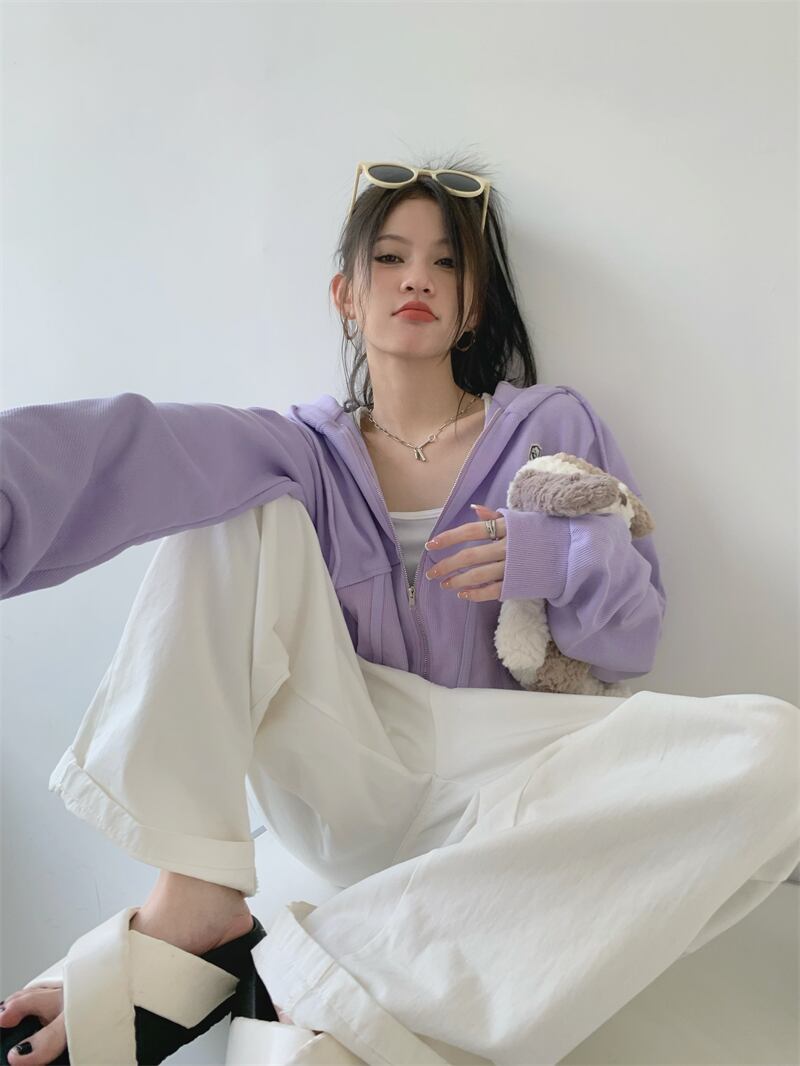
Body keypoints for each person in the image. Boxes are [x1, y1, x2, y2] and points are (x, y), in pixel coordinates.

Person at [0, 157, 796, 1066]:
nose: (418, 277)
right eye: (389, 257)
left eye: (446, 263)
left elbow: (631, 641)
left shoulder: (551, 429)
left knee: (776, 750)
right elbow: (138, 449)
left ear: (473, 306)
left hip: (510, 774)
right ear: (347, 294)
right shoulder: (303, 451)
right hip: (353, 762)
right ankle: (194, 896)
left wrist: (549, 558)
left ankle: (326, 971)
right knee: (238, 499)